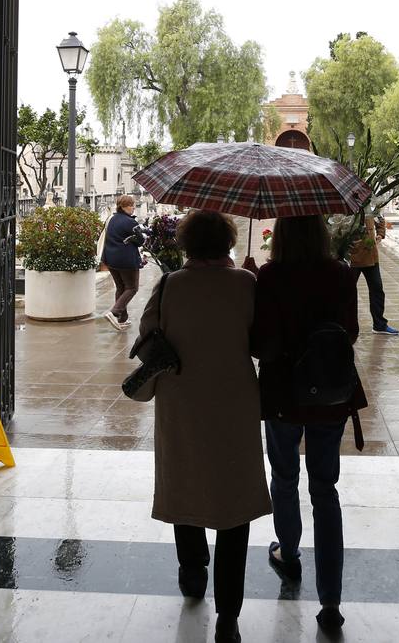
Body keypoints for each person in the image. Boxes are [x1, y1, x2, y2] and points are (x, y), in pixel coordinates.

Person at [137, 210, 269, 643]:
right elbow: (262, 341)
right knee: (234, 494)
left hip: (183, 400)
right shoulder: (246, 284)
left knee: (186, 476)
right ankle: (228, 613)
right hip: (234, 402)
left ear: (186, 244)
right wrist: (252, 285)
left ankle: (193, 573)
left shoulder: (171, 285)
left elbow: (147, 333)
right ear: (228, 243)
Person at [251, 214, 368, 634]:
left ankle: (290, 553)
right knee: (325, 489)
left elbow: (260, 343)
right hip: (330, 394)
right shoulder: (339, 273)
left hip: (283, 394)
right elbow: (350, 333)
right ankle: (331, 601)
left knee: (284, 476)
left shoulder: (270, 275)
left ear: (280, 235)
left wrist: (255, 287)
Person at [348, 207, 398, 334]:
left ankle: (379, 324)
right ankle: (346, 325)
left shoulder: (370, 202)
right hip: (352, 257)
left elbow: (380, 217)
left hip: (371, 255)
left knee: (377, 290)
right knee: (347, 292)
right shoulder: (348, 204)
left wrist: (380, 234)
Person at [101, 194, 143, 329]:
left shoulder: (111, 219)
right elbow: (141, 240)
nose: (133, 208)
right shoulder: (130, 222)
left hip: (111, 260)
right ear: (124, 206)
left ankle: (121, 319)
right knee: (132, 288)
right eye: (131, 206)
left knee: (120, 287)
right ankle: (114, 312)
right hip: (127, 261)